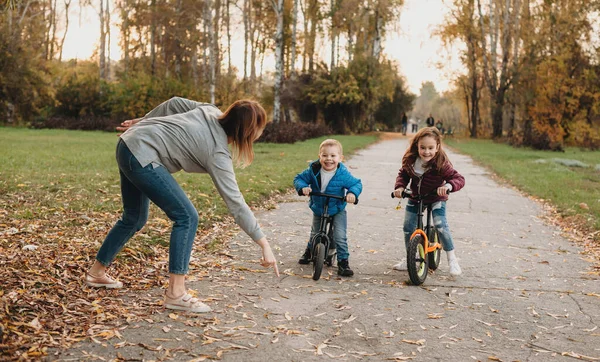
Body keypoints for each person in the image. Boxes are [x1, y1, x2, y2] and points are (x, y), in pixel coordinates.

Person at [85, 97, 279, 313]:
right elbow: (236, 203)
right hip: (140, 154)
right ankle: (176, 294)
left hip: (128, 144)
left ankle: (96, 273)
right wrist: (264, 245)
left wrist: (142, 122)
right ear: (248, 132)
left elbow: (174, 102)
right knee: (187, 217)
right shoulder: (217, 152)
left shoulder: (209, 110)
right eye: (261, 127)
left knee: (134, 217)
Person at [392, 127, 465, 276]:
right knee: (408, 227)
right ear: (417, 146)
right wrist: (400, 187)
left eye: (431, 148)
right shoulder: (411, 161)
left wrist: (447, 186)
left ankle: (452, 259)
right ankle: (410, 258)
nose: (427, 152)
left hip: (436, 197)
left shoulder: (441, 163)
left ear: (437, 147)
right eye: (423, 148)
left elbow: (458, 179)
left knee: (440, 224)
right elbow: (403, 175)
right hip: (416, 197)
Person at [294, 139, 363, 277]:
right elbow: (299, 179)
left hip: (337, 208)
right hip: (319, 206)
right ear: (319, 156)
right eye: (325, 155)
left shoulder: (342, 173)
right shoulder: (313, 170)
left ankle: (343, 262)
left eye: (333, 156)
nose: (329, 159)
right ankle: (309, 251)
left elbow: (356, 184)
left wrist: (351, 193)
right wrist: (303, 187)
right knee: (315, 233)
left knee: (340, 236)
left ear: (340, 158)